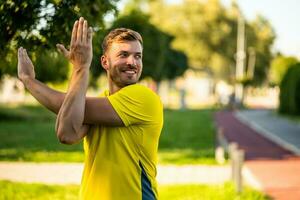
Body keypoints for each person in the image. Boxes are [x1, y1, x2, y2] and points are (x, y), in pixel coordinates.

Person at [17, 17, 163, 200]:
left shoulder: (144, 98)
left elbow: (65, 103)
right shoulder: (103, 100)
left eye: (138, 56)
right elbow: (67, 133)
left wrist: (31, 80)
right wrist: (77, 69)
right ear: (104, 62)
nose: (132, 62)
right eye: (123, 55)